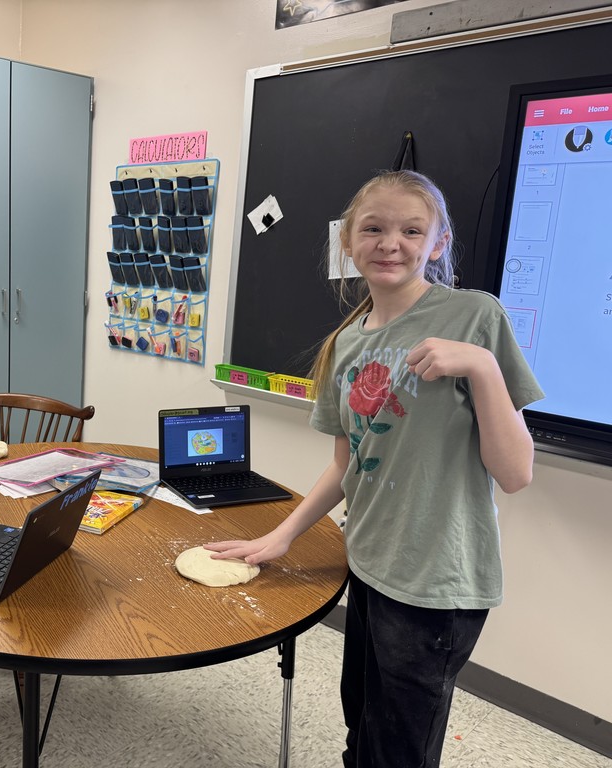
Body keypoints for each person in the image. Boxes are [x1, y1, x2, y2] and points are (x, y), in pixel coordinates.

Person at [207, 170, 544, 768]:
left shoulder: (474, 318)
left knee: (398, 750)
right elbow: (346, 465)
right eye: (375, 228)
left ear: (437, 243)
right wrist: (282, 535)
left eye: (412, 230)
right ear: (348, 242)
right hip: (366, 562)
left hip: (434, 579)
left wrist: (484, 368)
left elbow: (515, 473)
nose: (392, 242)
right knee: (360, 725)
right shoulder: (345, 345)